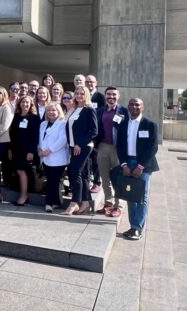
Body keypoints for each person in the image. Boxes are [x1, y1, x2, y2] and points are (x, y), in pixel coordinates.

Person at [115, 98, 158, 241]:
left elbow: (153, 148)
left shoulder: (150, 125)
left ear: (142, 107)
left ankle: (138, 228)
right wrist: (124, 165)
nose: (134, 107)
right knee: (130, 196)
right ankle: (133, 226)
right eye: (131, 104)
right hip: (128, 163)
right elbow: (119, 146)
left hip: (143, 165)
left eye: (137, 104)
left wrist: (140, 166)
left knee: (142, 197)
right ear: (128, 107)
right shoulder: (123, 124)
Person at [61, 86, 98, 216]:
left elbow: (93, 131)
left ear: (86, 95)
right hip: (73, 146)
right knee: (80, 174)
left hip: (83, 146)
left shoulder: (89, 110)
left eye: (82, 93)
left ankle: (74, 202)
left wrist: (80, 144)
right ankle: (86, 202)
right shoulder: (75, 109)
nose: (79, 95)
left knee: (75, 173)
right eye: (76, 93)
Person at [95, 87, 130, 217]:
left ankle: (118, 205)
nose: (111, 96)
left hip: (118, 149)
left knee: (117, 178)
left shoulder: (124, 111)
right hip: (103, 146)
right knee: (104, 178)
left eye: (114, 94)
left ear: (118, 96)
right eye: (108, 94)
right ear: (105, 96)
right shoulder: (100, 111)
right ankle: (108, 203)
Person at [8, 95, 41, 206]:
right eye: (23, 102)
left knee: (22, 171)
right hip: (16, 149)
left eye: (27, 102)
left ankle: (23, 196)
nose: (25, 104)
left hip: (27, 150)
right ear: (19, 104)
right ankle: (23, 194)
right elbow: (12, 134)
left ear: (31, 104)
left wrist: (31, 151)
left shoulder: (34, 118)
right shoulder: (16, 117)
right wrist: (10, 149)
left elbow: (35, 136)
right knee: (18, 171)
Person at [38, 102, 69, 212]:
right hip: (45, 158)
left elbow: (62, 140)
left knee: (52, 181)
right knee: (53, 181)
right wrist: (40, 150)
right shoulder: (43, 124)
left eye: (53, 110)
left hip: (57, 158)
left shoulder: (63, 123)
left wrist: (49, 151)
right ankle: (57, 202)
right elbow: (40, 139)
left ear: (58, 111)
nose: (51, 112)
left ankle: (49, 203)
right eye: (49, 110)